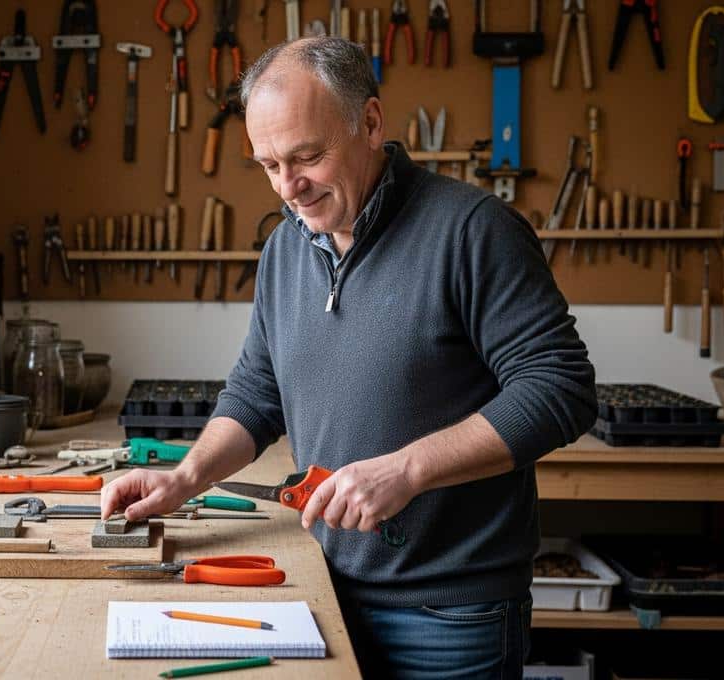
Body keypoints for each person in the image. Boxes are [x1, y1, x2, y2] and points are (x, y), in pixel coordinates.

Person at [99, 37, 597, 679]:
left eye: (306, 157)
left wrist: (408, 470)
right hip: (323, 585)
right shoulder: (284, 251)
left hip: (448, 617)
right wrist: (186, 477)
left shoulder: (473, 230)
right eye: (269, 165)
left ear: (369, 123)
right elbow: (257, 394)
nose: (289, 187)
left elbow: (561, 389)